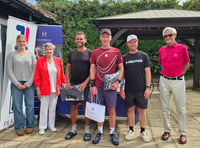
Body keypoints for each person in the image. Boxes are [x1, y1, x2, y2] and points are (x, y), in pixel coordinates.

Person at [90, 28, 124, 145]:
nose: (105, 38)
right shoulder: (95, 52)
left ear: (110, 37)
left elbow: (121, 68)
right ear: (100, 38)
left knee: (112, 109)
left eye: (107, 36)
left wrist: (118, 82)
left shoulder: (116, 51)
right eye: (103, 36)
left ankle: (112, 132)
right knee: (99, 110)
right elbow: (92, 68)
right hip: (98, 86)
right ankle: (99, 132)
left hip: (111, 87)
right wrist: (92, 84)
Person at [159, 27, 190, 144]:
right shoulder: (161, 50)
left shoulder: (182, 48)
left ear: (175, 35)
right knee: (164, 107)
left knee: (180, 108)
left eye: (170, 35)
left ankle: (183, 132)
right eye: (165, 36)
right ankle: (167, 130)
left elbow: (186, 64)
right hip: (164, 80)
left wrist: (179, 75)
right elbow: (162, 64)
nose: (168, 38)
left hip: (178, 81)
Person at [119, 34, 151, 142]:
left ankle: (143, 131)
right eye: (131, 42)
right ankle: (131, 129)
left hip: (141, 89)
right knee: (130, 110)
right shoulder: (124, 57)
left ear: (137, 42)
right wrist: (121, 88)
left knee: (142, 110)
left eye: (135, 42)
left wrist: (147, 87)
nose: (133, 44)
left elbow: (147, 72)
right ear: (128, 44)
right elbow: (122, 75)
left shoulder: (143, 56)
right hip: (129, 90)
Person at [6, 34, 36, 136]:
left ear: (26, 42)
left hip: (29, 84)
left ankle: (30, 126)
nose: (22, 43)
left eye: (23, 41)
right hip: (16, 84)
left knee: (30, 106)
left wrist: (28, 83)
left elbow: (34, 70)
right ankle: (19, 126)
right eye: (20, 41)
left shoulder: (31, 55)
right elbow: (9, 71)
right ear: (17, 42)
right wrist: (17, 83)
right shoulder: (11, 55)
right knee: (17, 106)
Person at [34, 42, 66, 135]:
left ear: (53, 50)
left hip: (55, 88)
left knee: (52, 107)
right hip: (44, 88)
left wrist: (64, 83)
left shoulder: (58, 60)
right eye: (47, 49)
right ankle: (42, 127)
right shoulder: (40, 60)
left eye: (50, 49)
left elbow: (62, 74)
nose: (49, 51)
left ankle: (51, 125)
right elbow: (37, 76)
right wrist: (38, 87)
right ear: (44, 50)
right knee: (44, 108)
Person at [65, 31, 92, 141]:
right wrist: (67, 82)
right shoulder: (72, 52)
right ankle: (73, 129)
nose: (79, 40)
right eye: (77, 39)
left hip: (85, 85)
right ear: (75, 40)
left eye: (81, 39)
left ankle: (87, 131)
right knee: (73, 107)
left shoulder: (90, 53)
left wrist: (85, 83)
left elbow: (93, 70)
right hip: (74, 85)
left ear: (85, 40)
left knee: (86, 107)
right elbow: (68, 68)